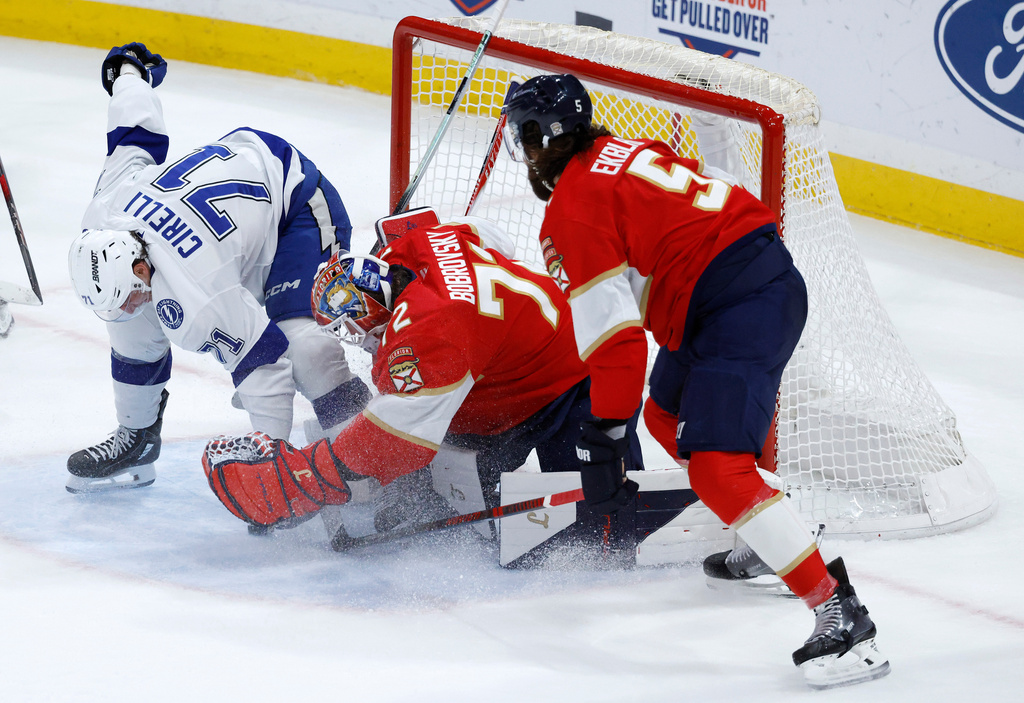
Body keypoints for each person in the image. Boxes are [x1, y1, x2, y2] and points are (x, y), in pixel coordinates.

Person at [501, 73, 890, 689]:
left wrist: (602, 438)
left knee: (715, 466)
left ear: (538, 136)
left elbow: (619, 342)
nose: (522, 156)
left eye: (523, 139)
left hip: (741, 304)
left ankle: (839, 615)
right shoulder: (620, 153)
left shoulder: (571, 210)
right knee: (666, 413)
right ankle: (769, 534)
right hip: (734, 294)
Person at [201, 213, 644, 538]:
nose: (361, 341)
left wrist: (307, 475)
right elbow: (491, 235)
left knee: (606, 522)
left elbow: (398, 437)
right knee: (449, 478)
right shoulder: (417, 245)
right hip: (526, 365)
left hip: (572, 383)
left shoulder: (431, 334)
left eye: (354, 330)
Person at [66, 42, 369, 493]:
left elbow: (265, 364)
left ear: (140, 266)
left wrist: (272, 468)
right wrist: (129, 74)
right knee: (130, 326)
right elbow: (133, 135)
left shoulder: (198, 292)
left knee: (305, 350)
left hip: (295, 204)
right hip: (234, 213)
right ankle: (138, 436)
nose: (129, 304)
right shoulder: (106, 208)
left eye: (131, 292)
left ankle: (369, 456)